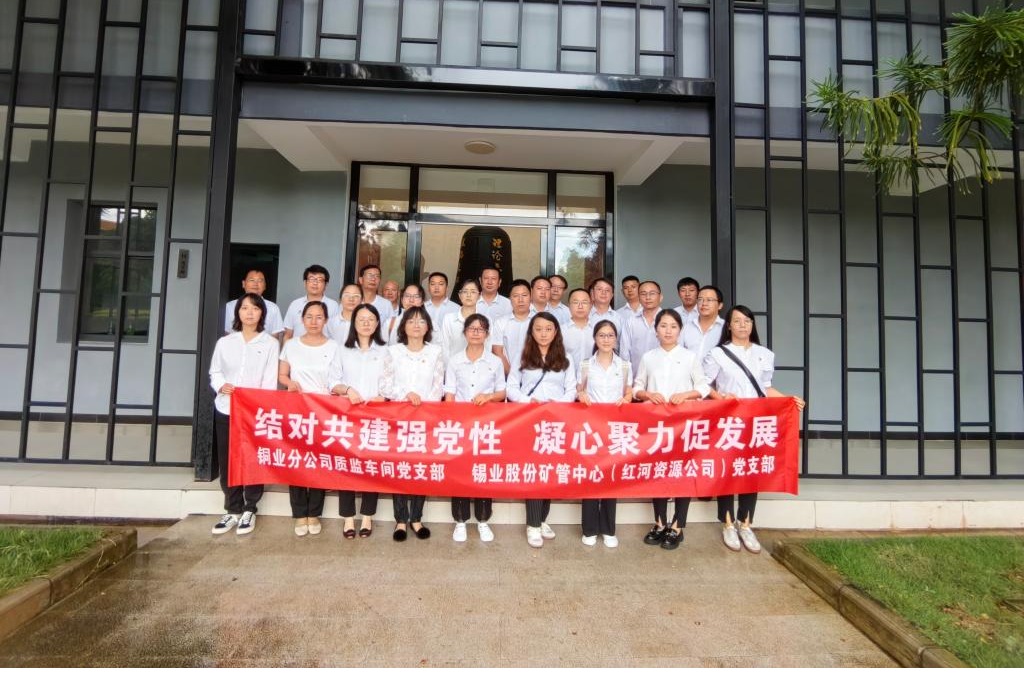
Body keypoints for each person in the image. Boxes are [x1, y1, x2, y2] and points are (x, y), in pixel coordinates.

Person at [704, 305, 805, 553]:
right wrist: (721, 398)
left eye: (747, 321)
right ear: (729, 325)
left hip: (757, 421)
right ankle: (728, 523)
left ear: (752, 325)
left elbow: (765, 388)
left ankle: (746, 523)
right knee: (728, 470)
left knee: (751, 469)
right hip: (729, 421)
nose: (742, 325)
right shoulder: (718, 353)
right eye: (737, 321)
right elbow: (705, 385)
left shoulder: (764, 354)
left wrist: (789, 400)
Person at [633, 308, 710, 550]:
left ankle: (677, 525)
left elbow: (704, 387)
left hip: (683, 426)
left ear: (680, 330)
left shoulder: (689, 357)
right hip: (656, 427)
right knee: (658, 472)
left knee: (682, 473)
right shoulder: (648, 357)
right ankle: (659, 522)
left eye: (673, 326)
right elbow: (636, 387)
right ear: (656, 330)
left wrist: (686, 394)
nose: (668, 331)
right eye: (663, 326)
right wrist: (647, 394)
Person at [209, 293, 279, 536]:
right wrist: (221, 385)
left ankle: (250, 508)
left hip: (254, 413)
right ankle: (232, 508)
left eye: (255, 308)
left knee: (252, 458)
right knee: (228, 458)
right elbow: (215, 371)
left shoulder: (270, 343)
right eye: (245, 308)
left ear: (262, 313)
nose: (250, 313)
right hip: (226, 407)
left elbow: (269, 380)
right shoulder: (225, 342)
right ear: (237, 312)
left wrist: (259, 405)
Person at [506, 312, 577, 548]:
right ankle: (533, 525)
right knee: (534, 470)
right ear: (531, 332)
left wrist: (558, 405)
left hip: (556, 422)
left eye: (548, 329)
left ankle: (543, 519)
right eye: (538, 329)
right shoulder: (522, 355)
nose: (543, 333)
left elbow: (571, 390)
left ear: (556, 332)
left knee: (550, 470)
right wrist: (529, 402)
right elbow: (511, 388)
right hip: (529, 420)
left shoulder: (566, 358)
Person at [380, 306, 444, 542]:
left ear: (428, 327)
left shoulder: (436, 352)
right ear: (403, 326)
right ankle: (400, 519)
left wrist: (424, 405)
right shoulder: (393, 351)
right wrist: (406, 395)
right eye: (411, 321)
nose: (416, 325)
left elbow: (438, 386)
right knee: (400, 467)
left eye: (421, 321)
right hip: (399, 418)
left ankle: (416, 518)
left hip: (425, 420)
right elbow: (385, 385)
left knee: (420, 468)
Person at [278, 300, 338, 537]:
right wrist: (290, 383)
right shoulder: (291, 345)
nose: (314, 321)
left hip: (323, 411)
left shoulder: (334, 346)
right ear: (302, 320)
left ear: (326, 320)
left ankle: (314, 513)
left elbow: (337, 378)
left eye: (319, 317)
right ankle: (299, 513)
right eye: (309, 317)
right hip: (297, 410)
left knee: (318, 461)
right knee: (297, 460)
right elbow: (282, 374)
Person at [444, 313, 506, 543]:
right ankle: (460, 520)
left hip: (486, 426)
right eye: (472, 329)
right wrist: (452, 419)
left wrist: (488, 397)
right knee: (459, 470)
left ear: (487, 334)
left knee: (482, 470)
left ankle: (482, 520)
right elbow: (449, 393)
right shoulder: (454, 361)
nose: (476, 333)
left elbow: (502, 392)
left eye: (481, 329)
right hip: (460, 425)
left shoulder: (495, 362)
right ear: (465, 333)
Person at [329, 304, 388, 538]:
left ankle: (367, 515)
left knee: (371, 466)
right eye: (361, 319)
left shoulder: (385, 351)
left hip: (375, 416)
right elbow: (333, 381)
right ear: (354, 323)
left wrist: (384, 396)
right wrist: (348, 389)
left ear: (377, 323)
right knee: (347, 465)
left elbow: (391, 382)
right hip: (348, 416)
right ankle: (347, 517)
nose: (366, 323)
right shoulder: (342, 350)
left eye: (370, 319)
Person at [576, 319, 632, 548]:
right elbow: (578, 389)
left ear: (616, 339)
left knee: (611, 476)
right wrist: (580, 395)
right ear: (595, 338)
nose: (606, 340)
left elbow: (629, 391)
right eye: (601, 335)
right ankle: (589, 529)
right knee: (591, 475)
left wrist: (627, 398)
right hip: (591, 428)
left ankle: (608, 529)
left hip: (615, 429)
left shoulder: (625, 365)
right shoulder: (585, 365)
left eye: (610, 335)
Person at [283, 265, 340, 340]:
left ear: (326, 285)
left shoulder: (333, 306)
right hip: (297, 347)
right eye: (311, 279)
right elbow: (288, 334)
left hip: (325, 347)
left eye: (319, 280)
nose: (315, 283)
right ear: (305, 283)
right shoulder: (295, 304)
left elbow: (337, 334)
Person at [620, 280, 663, 376]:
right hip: (636, 378)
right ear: (639, 297)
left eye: (652, 293)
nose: (648, 297)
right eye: (643, 294)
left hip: (662, 379)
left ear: (660, 297)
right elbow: (624, 354)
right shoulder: (631, 322)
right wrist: (627, 380)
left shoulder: (669, 320)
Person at [491, 279, 535, 375]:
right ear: (509, 298)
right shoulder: (500, 322)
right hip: (508, 375)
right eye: (515, 296)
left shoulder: (540, 321)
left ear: (531, 296)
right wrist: (512, 376)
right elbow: (497, 351)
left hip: (535, 376)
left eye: (524, 295)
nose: (520, 300)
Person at [223, 269, 284, 337]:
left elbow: (275, 336)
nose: (255, 284)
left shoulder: (273, 308)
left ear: (265, 286)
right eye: (252, 280)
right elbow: (226, 333)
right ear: (243, 284)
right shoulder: (230, 306)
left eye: (260, 281)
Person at [440, 278, 489, 360]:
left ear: (479, 296)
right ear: (459, 295)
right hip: (453, 365)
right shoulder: (448, 319)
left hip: (479, 365)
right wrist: (450, 366)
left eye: (473, 292)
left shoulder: (486, 319)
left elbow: (488, 347)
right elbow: (445, 348)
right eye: (465, 291)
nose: (468, 295)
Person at [681, 284, 725, 359]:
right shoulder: (686, 327)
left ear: (720, 305)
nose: (704, 303)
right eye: (700, 299)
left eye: (709, 300)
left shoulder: (726, 328)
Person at [561, 288, 593, 375]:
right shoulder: (560, 331)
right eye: (575, 302)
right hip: (566, 379)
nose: (580, 306)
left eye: (584, 302)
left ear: (591, 305)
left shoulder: (597, 331)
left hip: (593, 380)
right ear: (569, 305)